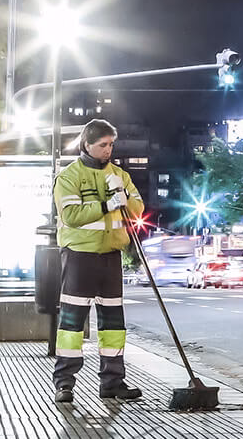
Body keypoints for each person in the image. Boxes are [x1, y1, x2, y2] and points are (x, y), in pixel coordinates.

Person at [52, 120, 145, 403]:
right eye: (103, 144)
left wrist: (124, 196)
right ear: (87, 144)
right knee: (72, 323)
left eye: (111, 144)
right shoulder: (69, 176)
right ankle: (64, 383)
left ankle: (113, 382)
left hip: (111, 256)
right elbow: (71, 215)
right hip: (79, 255)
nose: (108, 150)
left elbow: (138, 209)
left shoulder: (120, 175)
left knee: (113, 323)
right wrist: (107, 204)